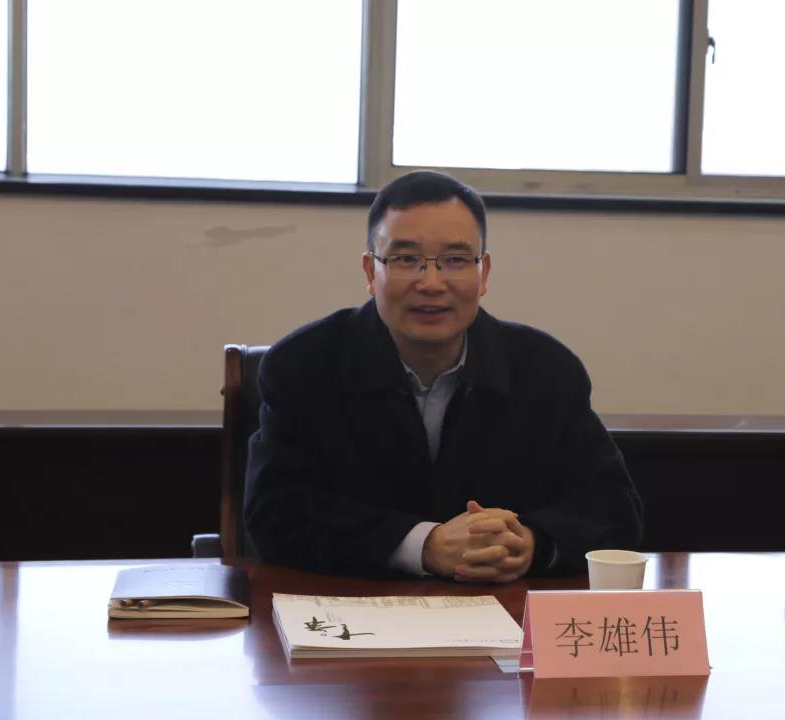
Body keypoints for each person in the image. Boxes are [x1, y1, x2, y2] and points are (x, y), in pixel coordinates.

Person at [244, 170, 642, 582]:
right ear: (370, 272)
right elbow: (275, 513)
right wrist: (424, 545)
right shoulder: (303, 366)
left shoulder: (547, 371)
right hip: (353, 610)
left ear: (484, 273)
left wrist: (532, 543)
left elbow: (614, 510)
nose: (431, 283)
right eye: (406, 259)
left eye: (455, 260)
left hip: (504, 609)